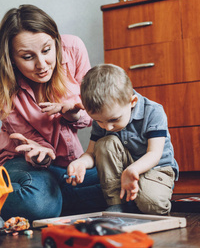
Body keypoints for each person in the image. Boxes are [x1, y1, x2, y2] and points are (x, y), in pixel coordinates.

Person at [0, 4, 107, 223]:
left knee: (123, 178)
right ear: (11, 58)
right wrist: (41, 153)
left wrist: (73, 114)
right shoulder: (4, 84)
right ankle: (53, 197)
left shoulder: (73, 48)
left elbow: (93, 112)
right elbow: (27, 141)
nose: (42, 65)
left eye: (47, 50)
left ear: (56, 41)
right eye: (27, 57)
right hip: (22, 162)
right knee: (36, 202)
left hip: (67, 163)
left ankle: (56, 196)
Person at [67, 64, 179, 215]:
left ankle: (138, 198)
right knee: (104, 143)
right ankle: (116, 202)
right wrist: (81, 162)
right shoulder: (104, 118)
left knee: (151, 204)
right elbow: (91, 153)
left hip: (156, 169)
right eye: (100, 121)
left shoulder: (153, 111)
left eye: (114, 119)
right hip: (124, 170)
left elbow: (154, 154)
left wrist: (132, 170)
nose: (108, 127)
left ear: (132, 102)